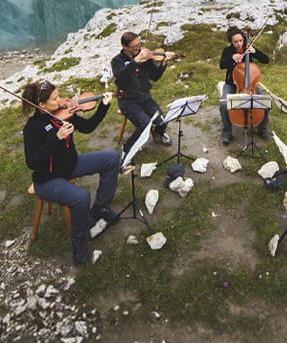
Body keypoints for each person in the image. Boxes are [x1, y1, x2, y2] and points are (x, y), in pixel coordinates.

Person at [22, 80, 121, 266]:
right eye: (55, 98)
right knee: (81, 197)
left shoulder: (63, 114)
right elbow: (32, 162)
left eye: (59, 95)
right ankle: (78, 241)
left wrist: (103, 106)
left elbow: (88, 127)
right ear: (41, 105)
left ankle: (100, 207)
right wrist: (56, 139)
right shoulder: (32, 128)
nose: (61, 100)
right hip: (47, 178)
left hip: (70, 164)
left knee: (111, 159)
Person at [111, 31, 174, 152]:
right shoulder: (117, 61)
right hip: (128, 101)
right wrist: (135, 61)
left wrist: (164, 63)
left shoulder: (145, 57)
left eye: (139, 45)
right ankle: (126, 149)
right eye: (134, 47)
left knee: (162, 120)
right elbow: (122, 76)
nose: (138, 48)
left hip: (145, 98)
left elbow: (155, 76)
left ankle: (159, 133)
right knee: (144, 125)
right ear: (124, 47)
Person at [218, 26, 271, 144]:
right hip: (233, 84)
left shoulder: (248, 48)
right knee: (223, 104)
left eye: (240, 40)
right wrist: (231, 58)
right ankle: (227, 131)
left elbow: (266, 60)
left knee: (265, 101)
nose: (239, 44)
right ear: (231, 42)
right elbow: (221, 65)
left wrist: (255, 51)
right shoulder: (228, 51)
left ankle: (262, 128)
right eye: (235, 42)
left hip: (250, 85)